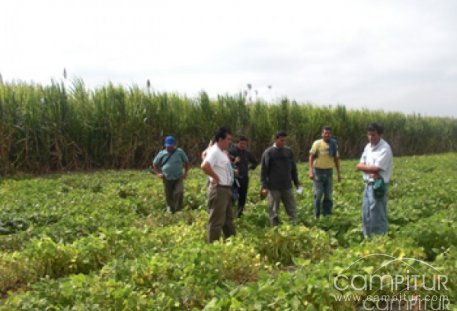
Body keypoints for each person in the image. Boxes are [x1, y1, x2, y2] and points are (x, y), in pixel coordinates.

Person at [356, 122, 393, 237]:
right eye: (369, 135)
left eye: (373, 135)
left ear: (380, 135)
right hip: (368, 184)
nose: (371, 138)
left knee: (377, 213)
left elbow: (375, 167)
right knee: (366, 213)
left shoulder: (385, 149)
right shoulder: (368, 147)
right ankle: (368, 238)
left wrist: (368, 168)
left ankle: (380, 239)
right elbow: (359, 165)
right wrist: (370, 169)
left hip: (378, 185)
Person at [201, 127, 237, 243]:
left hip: (226, 189)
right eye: (228, 139)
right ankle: (212, 246)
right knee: (217, 220)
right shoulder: (214, 151)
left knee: (228, 219)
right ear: (220, 139)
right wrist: (215, 177)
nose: (230, 142)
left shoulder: (221, 152)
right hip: (219, 190)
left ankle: (232, 241)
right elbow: (204, 166)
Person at [260, 130, 301, 226]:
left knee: (292, 209)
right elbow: (263, 171)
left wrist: (297, 183)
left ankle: (294, 227)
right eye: (281, 140)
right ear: (276, 139)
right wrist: (264, 186)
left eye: (285, 141)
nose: (283, 143)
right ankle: (275, 229)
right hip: (274, 187)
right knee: (273, 211)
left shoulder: (288, 152)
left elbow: (293, 169)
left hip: (287, 186)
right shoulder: (268, 152)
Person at [308, 126, 341, 218]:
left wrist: (338, 173)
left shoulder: (333, 144)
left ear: (331, 134)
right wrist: (310, 171)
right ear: (322, 134)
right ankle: (317, 215)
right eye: (325, 133)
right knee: (318, 194)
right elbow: (311, 156)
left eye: (329, 133)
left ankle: (327, 215)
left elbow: (336, 159)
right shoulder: (317, 143)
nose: (327, 135)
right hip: (318, 171)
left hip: (329, 172)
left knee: (328, 195)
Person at [153, 136, 190, 214]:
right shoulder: (162, 153)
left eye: (171, 146)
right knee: (168, 194)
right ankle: (170, 208)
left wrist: (185, 172)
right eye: (168, 146)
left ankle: (178, 209)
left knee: (179, 192)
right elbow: (155, 164)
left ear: (174, 145)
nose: (169, 148)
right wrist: (158, 173)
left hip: (178, 176)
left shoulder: (180, 152)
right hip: (167, 177)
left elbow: (186, 162)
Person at [229, 136, 258, 217]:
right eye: (241, 143)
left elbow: (255, 162)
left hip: (244, 178)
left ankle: (239, 213)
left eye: (245, 144)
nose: (243, 145)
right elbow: (226, 164)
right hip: (234, 178)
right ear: (237, 143)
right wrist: (234, 162)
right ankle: (230, 213)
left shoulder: (247, 153)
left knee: (242, 196)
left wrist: (248, 168)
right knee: (232, 197)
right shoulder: (231, 152)